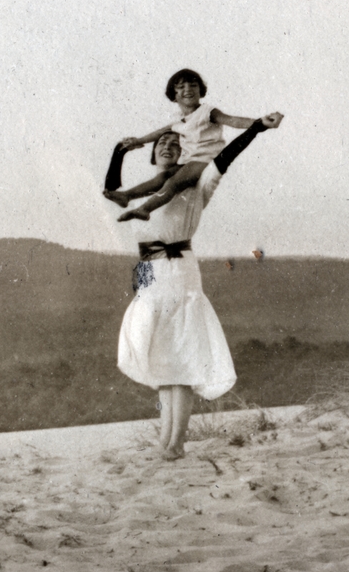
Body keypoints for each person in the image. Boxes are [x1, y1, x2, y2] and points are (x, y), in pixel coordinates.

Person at [104, 111, 282, 459]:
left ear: (186, 152)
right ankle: (165, 441)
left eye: (176, 142)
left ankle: (177, 443)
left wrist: (258, 128)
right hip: (150, 275)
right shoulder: (143, 196)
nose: (169, 145)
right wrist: (118, 152)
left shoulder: (197, 183)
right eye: (163, 144)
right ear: (153, 155)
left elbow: (224, 158)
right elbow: (112, 192)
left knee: (182, 357)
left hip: (179, 270)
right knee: (162, 360)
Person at [107, 69, 266, 222]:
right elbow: (160, 132)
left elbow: (232, 120)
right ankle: (127, 196)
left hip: (205, 159)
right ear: (174, 95)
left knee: (173, 183)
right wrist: (139, 140)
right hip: (188, 161)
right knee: (163, 177)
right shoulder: (179, 118)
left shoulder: (207, 111)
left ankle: (145, 209)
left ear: (200, 90)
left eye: (193, 85)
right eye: (181, 87)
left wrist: (259, 123)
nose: (188, 89)